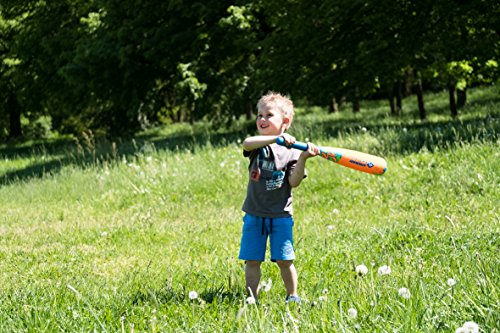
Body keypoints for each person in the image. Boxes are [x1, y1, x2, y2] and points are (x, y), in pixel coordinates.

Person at [238, 91, 319, 304]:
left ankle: (292, 296)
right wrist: (276, 139)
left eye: (268, 115)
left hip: (280, 216)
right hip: (254, 215)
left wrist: (303, 157)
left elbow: (294, 181)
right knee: (252, 260)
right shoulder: (259, 146)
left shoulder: (293, 151)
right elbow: (247, 143)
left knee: (285, 259)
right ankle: (251, 298)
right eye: (259, 115)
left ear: (285, 121)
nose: (262, 119)